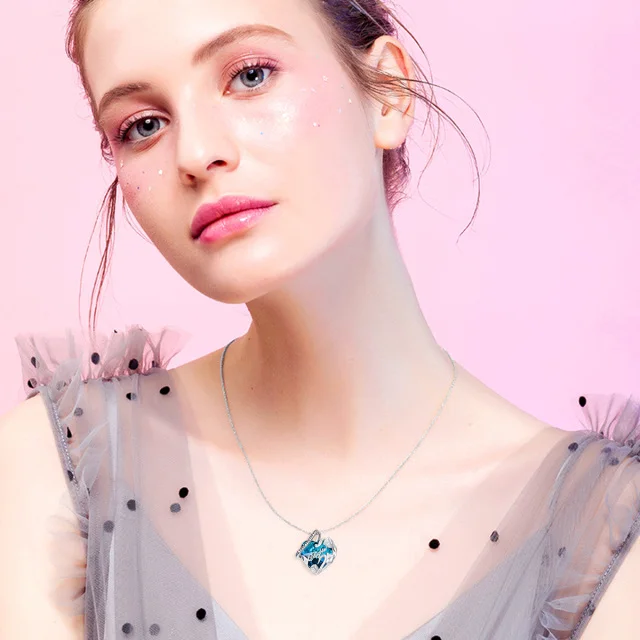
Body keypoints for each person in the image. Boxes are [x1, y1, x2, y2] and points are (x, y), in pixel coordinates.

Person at [1, 0, 639, 638]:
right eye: (142, 125)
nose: (195, 153)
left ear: (387, 92)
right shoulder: (57, 470)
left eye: (250, 75)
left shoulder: (602, 536)